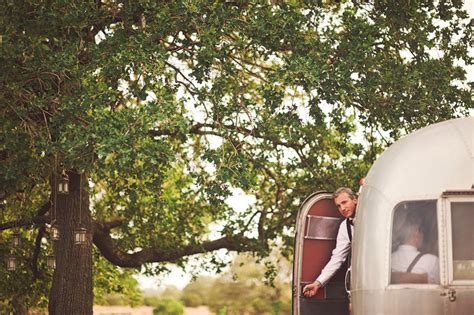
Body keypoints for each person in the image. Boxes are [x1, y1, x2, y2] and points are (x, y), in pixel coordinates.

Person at [303, 187, 357, 297]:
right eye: (338, 206)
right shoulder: (345, 227)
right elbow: (337, 258)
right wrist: (318, 283)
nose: (342, 208)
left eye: (344, 202)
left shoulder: (373, 213)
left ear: (355, 200)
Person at [391, 212, 440, 284]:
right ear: (416, 233)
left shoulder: (389, 260)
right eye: (422, 232)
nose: (423, 237)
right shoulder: (432, 261)